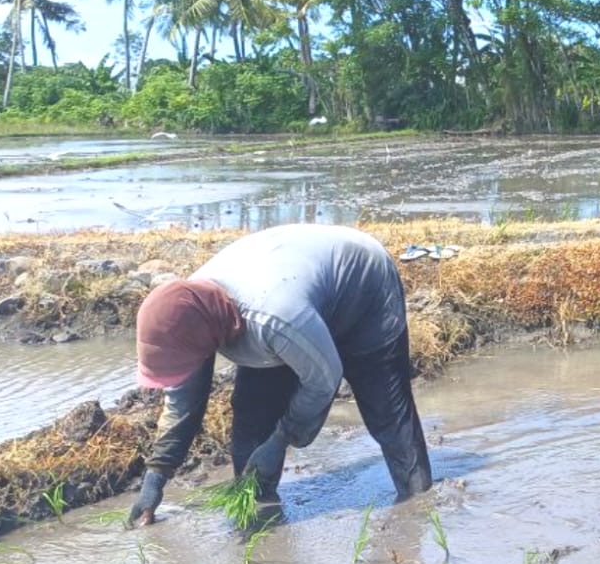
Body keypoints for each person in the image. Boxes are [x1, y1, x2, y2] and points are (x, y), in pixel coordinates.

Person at [127, 224, 433, 526]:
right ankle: (259, 517)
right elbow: (183, 401)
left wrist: (282, 438)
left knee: (386, 410)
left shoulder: (272, 317)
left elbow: (325, 380)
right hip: (294, 293)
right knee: (252, 414)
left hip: (363, 289)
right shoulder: (186, 314)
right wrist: (157, 474)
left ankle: (420, 505)